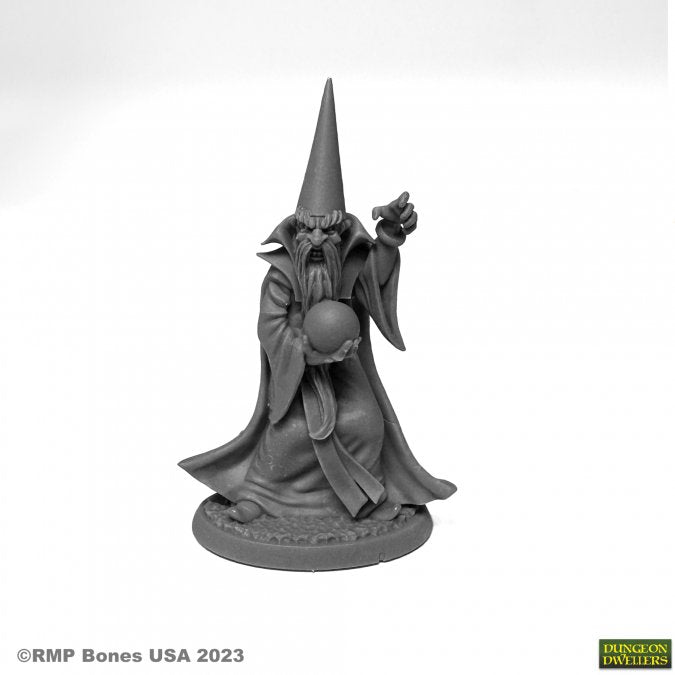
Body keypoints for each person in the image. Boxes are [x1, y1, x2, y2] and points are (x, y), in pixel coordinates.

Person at [179, 79, 456, 523]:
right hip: (300, 374)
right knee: (289, 434)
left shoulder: (349, 264)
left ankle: (362, 500)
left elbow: (376, 279)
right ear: (295, 229)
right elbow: (269, 326)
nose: (315, 238)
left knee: (364, 423)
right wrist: (305, 351)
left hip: (345, 370)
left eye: (327, 230)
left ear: (342, 232)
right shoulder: (282, 274)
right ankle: (262, 496)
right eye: (307, 228)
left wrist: (388, 237)